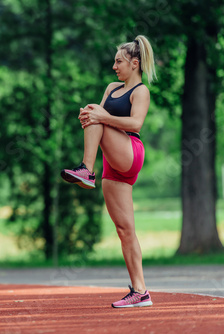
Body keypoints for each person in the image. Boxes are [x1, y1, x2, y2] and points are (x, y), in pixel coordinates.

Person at [61, 35, 156, 308]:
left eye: (119, 61)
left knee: (95, 113)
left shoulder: (141, 92)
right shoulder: (112, 87)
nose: (114, 66)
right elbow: (98, 120)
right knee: (125, 230)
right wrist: (89, 118)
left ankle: (86, 171)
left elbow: (135, 124)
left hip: (130, 152)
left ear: (135, 64)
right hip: (112, 162)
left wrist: (99, 117)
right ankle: (141, 291)